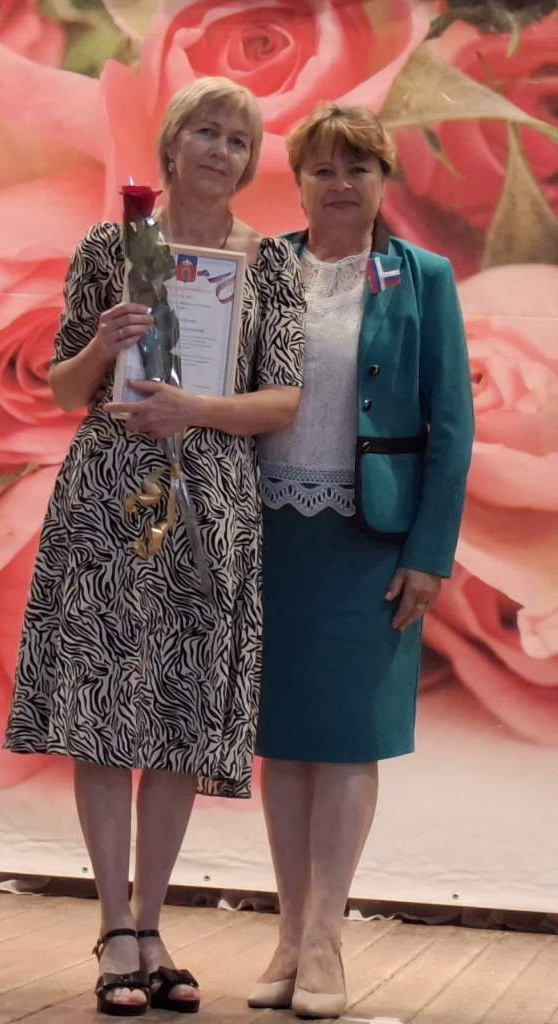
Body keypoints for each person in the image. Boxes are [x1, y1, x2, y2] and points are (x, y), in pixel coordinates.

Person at [4, 76, 305, 1017]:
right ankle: (115, 929)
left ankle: (153, 920)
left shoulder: (270, 264)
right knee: (102, 706)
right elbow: (64, 390)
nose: (221, 150)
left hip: (210, 500)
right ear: (171, 144)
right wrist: (104, 345)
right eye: (206, 131)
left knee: (176, 713)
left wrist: (193, 408)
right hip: (107, 493)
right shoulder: (111, 247)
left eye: (239, 140)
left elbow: (284, 399)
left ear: (249, 163)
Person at [249, 104, 474, 1020]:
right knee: (282, 740)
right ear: (299, 181)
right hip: (266, 529)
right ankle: (287, 933)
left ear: (385, 180)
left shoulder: (423, 277)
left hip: (370, 540)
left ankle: (326, 940)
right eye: (323, 168)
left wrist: (430, 554)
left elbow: (452, 424)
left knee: (346, 739)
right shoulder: (262, 266)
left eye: (359, 167)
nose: (340, 183)